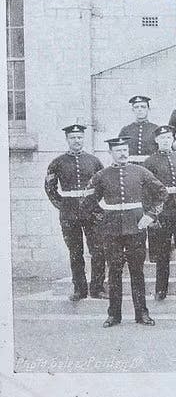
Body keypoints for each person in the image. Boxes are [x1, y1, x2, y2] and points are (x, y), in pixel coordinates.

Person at [82, 137, 168, 327]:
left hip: (136, 228)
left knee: (137, 272)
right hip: (111, 231)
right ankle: (114, 315)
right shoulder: (101, 175)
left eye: (125, 149)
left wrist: (151, 215)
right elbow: (87, 201)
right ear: (111, 153)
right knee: (114, 272)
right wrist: (102, 219)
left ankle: (142, 314)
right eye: (118, 150)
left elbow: (162, 192)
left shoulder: (140, 171)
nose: (123, 153)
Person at [44, 124, 107, 300]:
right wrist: (62, 205)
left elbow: (102, 184)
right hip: (69, 213)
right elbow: (49, 187)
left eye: (79, 137)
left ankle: (98, 288)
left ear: (83, 139)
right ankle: (79, 289)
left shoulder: (94, 161)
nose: (76, 140)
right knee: (75, 251)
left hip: (92, 212)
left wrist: (94, 203)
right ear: (67, 140)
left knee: (98, 250)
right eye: (73, 138)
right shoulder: (57, 162)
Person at [143, 125, 176, 299]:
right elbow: (146, 189)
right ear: (157, 140)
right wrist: (151, 214)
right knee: (162, 252)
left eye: (169, 137)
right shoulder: (150, 162)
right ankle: (160, 289)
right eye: (162, 138)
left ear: (173, 139)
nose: (166, 141)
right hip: (162, 211)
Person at [119, 96, 159, 163]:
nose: (139, 110)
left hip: (150, 165)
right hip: (131, 167)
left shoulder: (156, 129)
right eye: (136, 107)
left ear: (148, 109)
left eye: (143, 107)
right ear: (133, 110)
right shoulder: (125, 130)